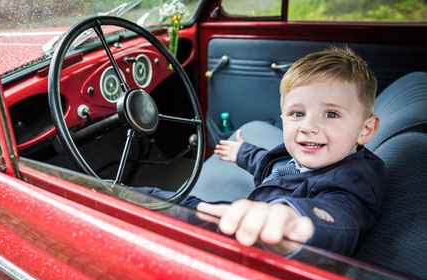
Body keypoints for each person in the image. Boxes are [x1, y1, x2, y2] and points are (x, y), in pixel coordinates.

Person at [138, 46, 384, 256]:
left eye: (331, 114)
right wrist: (243, 152)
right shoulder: (305, 156)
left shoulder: (352, 181)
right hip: (251, 212)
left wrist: (294, 221)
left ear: (365, 129)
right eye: (297, 113)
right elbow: (271, 165)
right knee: (167, 201)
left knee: (160, 203)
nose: (308, 127)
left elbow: (340, 217)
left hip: (258, 237)